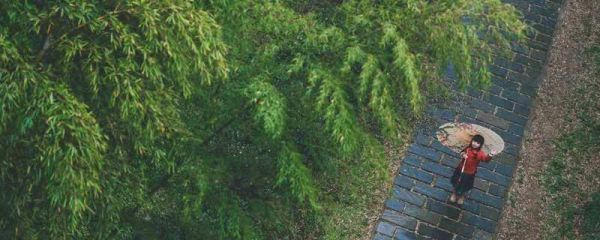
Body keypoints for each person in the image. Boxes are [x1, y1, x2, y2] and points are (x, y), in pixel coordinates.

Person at [449, 134, 497, 205]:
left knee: (465, 185)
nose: (475, 144)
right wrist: (463, 155)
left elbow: (485, 159)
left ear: (480, 145)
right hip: (461, 169)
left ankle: (462, 196)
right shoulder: (468, 149)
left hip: (469, 173)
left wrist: (490, 154)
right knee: (457, 182)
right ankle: (454, 194)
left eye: (477, 143)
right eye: (474, 141)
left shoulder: (480, 154)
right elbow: (462, 152)